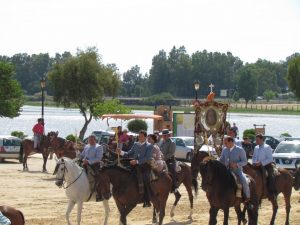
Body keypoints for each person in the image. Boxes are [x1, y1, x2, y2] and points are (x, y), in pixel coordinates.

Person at [116, 130, 153, 207]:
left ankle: (147, 199)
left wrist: (137, 161)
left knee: (145, 179)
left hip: (144, 166)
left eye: (141, 137)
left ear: (145, 137)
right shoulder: (136, 144)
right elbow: (129, 153)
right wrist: (121, 152)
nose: (140, 138)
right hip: (134, 165)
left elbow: (147, 158)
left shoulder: (149, 146)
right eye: (139, 137)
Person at [219, 135, 250, 203]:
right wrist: (215, 160)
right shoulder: (224, 149)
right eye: (224, 143)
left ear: (231, 142)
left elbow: (245, 161)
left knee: (244, 180)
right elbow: (222, 159)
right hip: (226, 170)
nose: (224, 144)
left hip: (237, 170)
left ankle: (247, 196)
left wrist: (236, 164)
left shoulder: (240, 150)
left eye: (226, 143)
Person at [79, 134, 103, 201]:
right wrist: (77, 152)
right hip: (84, 164)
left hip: (94, 166)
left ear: (95, 140)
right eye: (89, 140)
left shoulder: (99, 147)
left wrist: (88, 161)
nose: (90, 141)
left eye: (92, 140)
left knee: (96, 178)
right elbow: (82, 155)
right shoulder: (86, 146)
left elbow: (99, 158)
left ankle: (98, 194)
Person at [252, 133, 276, 198]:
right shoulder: (256, 147)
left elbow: (270, 158)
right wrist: (254, 162)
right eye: (256, 140)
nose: (256, 141)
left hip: (266, 166)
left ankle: (272, 192)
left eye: (257, 140)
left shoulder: (267, 147)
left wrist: (261, 163)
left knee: (270, 176)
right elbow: (254, 157)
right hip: (256, 165)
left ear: (262, 139)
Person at [160, 129, 178, 193]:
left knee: (172, 170)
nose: (164, 136)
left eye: (165, 135)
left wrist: (163, 158)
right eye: (163, 135)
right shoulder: (161, 141)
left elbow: (171, 153)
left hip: (169, 160)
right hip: (161, 159)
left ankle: (174, 186)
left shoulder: (172, 143)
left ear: (168, 135)